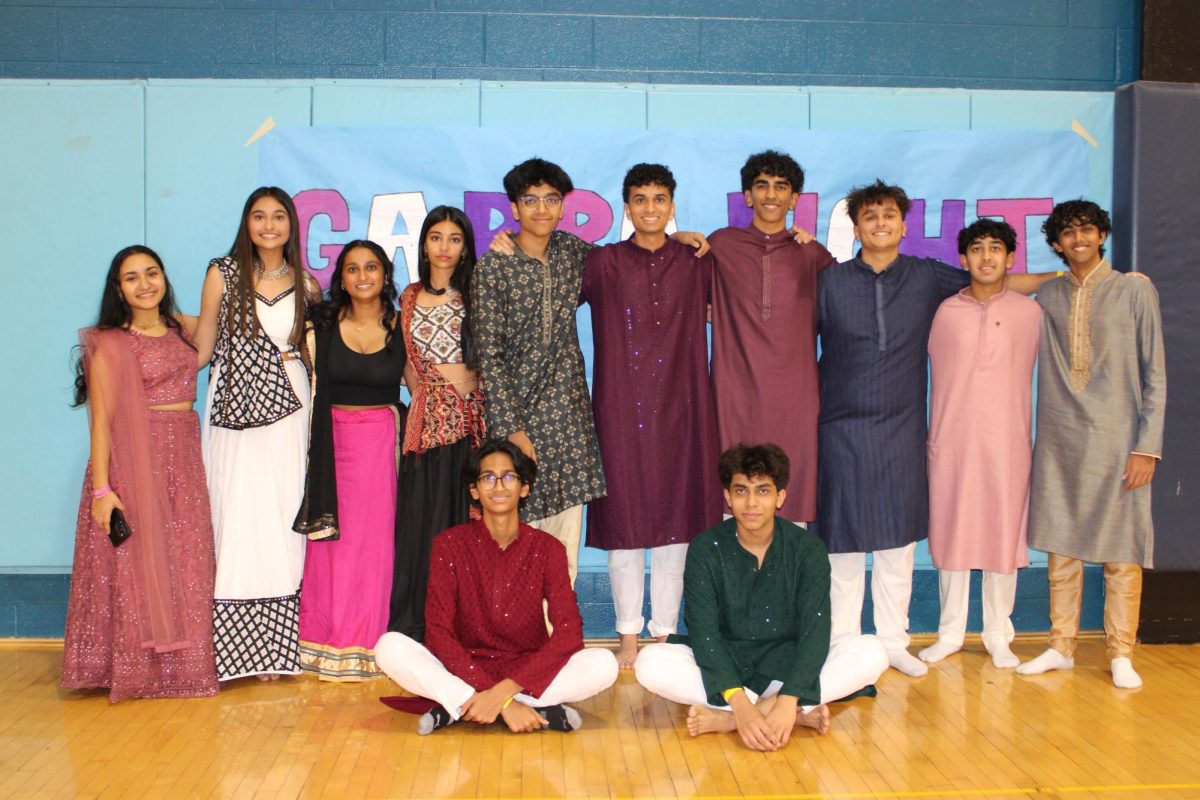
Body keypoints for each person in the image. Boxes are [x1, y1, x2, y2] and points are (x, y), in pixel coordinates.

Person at [816, 181, 1054, 678]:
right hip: (838, 427)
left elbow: (992, 284)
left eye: (889, 216)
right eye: (870, 216)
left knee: (896, 544)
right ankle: (841, 643)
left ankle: (891, 641)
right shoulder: (828, 281)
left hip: (902, 427)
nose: (880, 223)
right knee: (841, 543)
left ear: (904, 226)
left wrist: (1070, 276)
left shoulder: (927, 278)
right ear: (856, 228)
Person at [634, 444, 888, 751]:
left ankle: (745, 716)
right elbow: (704, 634)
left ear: (780, 497)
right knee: (649, 663)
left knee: (873, 651)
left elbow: (815, 631)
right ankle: (779, 713)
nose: (751, 503)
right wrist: (739, 703)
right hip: (728, 666)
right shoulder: (706, 549)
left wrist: (789, 696)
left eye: (763, 491)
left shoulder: (807, 550)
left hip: (788, 666)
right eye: (741, 491)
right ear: (727, 497)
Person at [1017, 200, 1165, 689]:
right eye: (1067, 233)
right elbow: (996, 283)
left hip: (1122, 442)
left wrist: (1147, 447)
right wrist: (1046, 274)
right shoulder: (1051, 295)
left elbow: (1155, 375)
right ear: (1057, 243)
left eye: (1086, 230)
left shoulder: (1134, 291)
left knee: (1122, 549)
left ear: (1102, 234)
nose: (1078, 239)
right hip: (1062, 439)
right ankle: (1061, 646)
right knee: (1062, 546)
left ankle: (1121, 651)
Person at [375, 439, 619, 734]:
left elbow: (569, 633)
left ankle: (462, 706)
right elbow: (438, 632)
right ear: (474, 490)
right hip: (464, 669)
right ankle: (516, 709)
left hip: (527, 672)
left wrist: (504, 691)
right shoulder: (449, 545)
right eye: (488, 478)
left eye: (509, 477)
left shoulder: (548, 549)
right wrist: (502, 699)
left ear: (524, 487)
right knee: (389, 647)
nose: (499, 486)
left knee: (604, 664)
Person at [62, 245, 219, 702]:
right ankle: (135, 669)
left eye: (152, 273)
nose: (145, 283)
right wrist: (102, 491)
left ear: (165, 279)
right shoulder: (110, 343)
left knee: (186, 559)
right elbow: (103, 419)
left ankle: (181, 669)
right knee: (135, 562)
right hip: (133, 462)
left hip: (183, 461)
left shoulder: (181, 329)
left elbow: (215, 324)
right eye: (132, 277)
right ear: (118, 288)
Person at [581, 164, 722, 668]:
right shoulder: (602, 263)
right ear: (626, 207)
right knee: (625, 524)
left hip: (684, 410)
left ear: (672, 206)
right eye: (640, 199)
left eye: (659, 199)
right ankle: (626, 634)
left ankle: (662, 634)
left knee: (676, 525)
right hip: (619, 408)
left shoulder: (695, 260)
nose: (650, 208)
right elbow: (549, 280)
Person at [194, 186, 321, 681]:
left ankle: (278, 651)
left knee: (283, 512)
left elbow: (314, 353)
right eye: (259, 216)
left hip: (292, 406)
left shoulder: (307, 286)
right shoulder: (221, 274)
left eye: (279, 217)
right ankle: (233, 652)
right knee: (235, 511)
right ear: (246, 223)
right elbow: (203, 348)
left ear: (292, 225)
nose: (269, 225)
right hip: (232, 409)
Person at [469, 158, 605, 585]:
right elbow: (488, 356)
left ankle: (557, 637)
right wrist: (512, 428)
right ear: (515, 208)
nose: (542, 209)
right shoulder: (493, 267)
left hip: (568, 420)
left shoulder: (573, 253)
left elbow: (630, 263)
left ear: (563, 207)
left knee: (563, 542)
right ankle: (513, 637)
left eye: (551, 200)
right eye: (531, 200)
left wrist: (682, 239)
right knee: (515, 538)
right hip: (519, 423)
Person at [919, 220, 1041, 669]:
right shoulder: (941, 310)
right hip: (950, 442)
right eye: (977, 248)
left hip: (1008, 446)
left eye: (996, 249)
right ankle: (950, 632)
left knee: (1003, 535)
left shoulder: (1031, 313)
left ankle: (998, 633)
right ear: (963, 258)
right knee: (952, 533)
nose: (986, 257)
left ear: (1011, 259)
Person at [293, 240, 406, 680]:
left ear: (384, 275)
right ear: (341, 278)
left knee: (378, 548)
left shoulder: (402, 326)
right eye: (353, 269)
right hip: (331, 444)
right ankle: (324, 643)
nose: (363, 276)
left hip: (382, 446)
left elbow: (420, 384)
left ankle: (377, 644)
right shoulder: (318, 327)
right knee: (331, 546)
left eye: (372, 267)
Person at [708, 150, 836, 527]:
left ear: (794, 199)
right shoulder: (721, 245)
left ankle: (785, 585)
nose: (770, 195)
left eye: (781, 187)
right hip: (736, 394)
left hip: (794, 397)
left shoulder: (811, 254)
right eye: (761, 186)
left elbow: (849, 301)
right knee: (735, 500)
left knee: (790, 503)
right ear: (747, 196)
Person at [390, 207, 486, 640]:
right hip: (426, 428)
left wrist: (461, 393)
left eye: (454, 238)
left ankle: (467, 627)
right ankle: (421, 627)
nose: (444, 247)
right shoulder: (408, 297)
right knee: (423, 526)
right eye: (436, 237)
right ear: (423, 243)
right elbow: (406, 362)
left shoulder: (478, 293)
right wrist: (428, 395)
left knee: (465, 526)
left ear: (466, 247)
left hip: (472, 426)